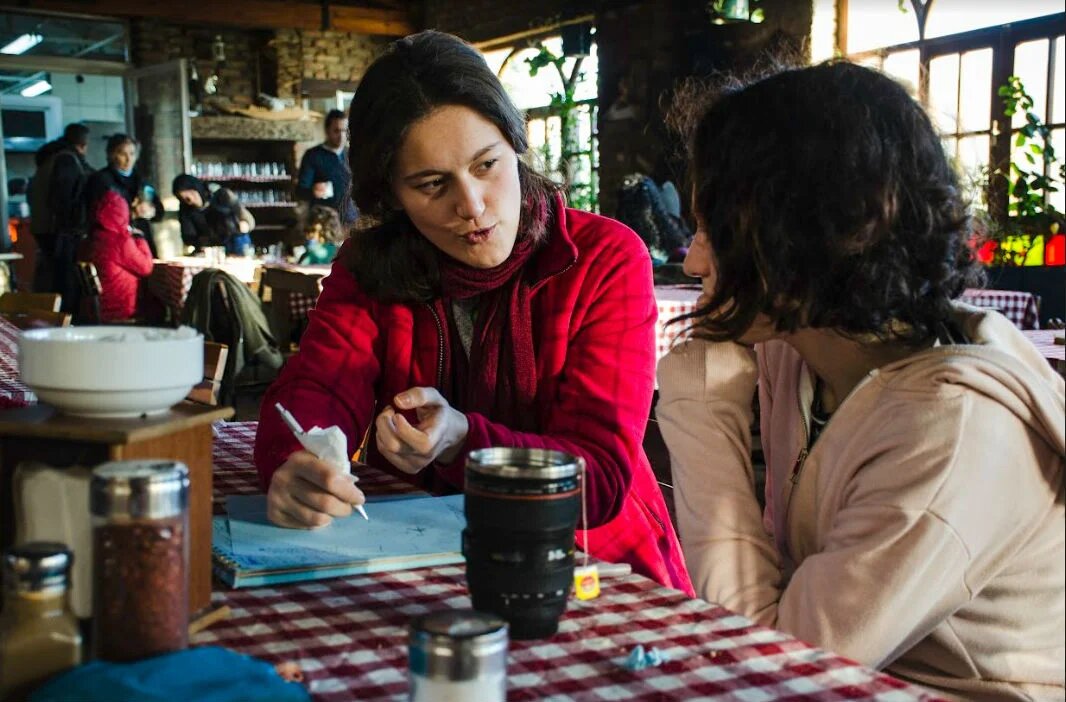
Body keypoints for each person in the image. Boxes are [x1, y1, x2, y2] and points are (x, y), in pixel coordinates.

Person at [656, 61, 1064, 700]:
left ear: (809, 238)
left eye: (716, 230)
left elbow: (769, 669)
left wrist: (700, 407)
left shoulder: (950, 432)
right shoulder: (806, 349)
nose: (693, 259)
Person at [254, 30, 693, 595]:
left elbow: (598, 479)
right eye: (432, 184)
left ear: (517, 144)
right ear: (389, 194)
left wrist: (464, 439)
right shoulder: (371, 266)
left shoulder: (602, 259)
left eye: (487, 165)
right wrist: (299, 463)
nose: (472, 206)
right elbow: (319, 385)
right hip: (418, 560)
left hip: (588, 569)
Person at [28, 123, 92, 312]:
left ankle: (53, 316)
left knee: (52, 277)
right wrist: (76, 227)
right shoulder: (67, 160)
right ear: (83, 144)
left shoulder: (50, 158)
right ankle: (64, 320)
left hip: (43, 226)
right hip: (59, 230)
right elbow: (64, 199)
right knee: (64, 281)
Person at [85, 134, 164, 257]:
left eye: (132, 154)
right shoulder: (100, 180)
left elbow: (159, 212)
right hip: (115, 245)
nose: (128, 159)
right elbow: (94, 215)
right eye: (123, 154)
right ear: (112, 155)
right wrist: (131, 213)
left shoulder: (141, 181)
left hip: (142, 242)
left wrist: (150, 211)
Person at [85, 189, 154, 321]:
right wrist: (140, 238)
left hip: (99, 306)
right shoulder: (120, 241)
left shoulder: (94, 238)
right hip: (120, 308)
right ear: (122, 213)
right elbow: (146, 268)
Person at [296, 109, 358, 227]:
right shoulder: (313, 155)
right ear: (327, 131)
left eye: (345, 131)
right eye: (336, 131)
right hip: (323, 221)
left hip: (351, 219)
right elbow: (300, 191)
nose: (341, 136)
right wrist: (313, 191)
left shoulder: (352, 154)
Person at [172, 174, 255, 254]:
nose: (191, 200)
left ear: (197, 188)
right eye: (186, 199)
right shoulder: (185, 209)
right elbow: (188, 237)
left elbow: (247, 220)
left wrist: (243, 224)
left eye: (192, 193)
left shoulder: (221, 194)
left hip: (235, 241)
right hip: (210, 248)